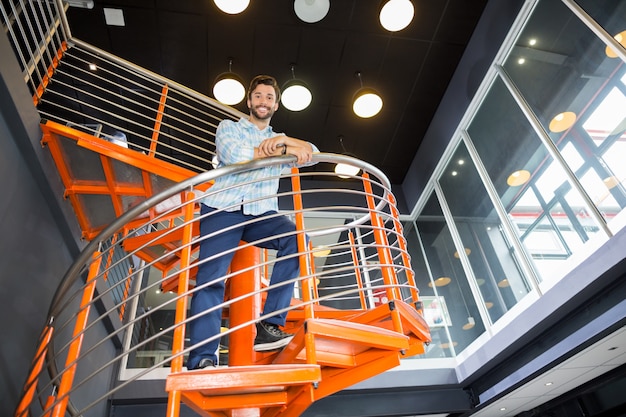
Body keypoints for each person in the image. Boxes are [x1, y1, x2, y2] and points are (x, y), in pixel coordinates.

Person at [186, 75, 319, 370]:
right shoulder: (228, 128)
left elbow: (314, 154)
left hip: (261, 213)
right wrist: (281, 152)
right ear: (249, 101)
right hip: (223, 208)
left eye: (269, 97)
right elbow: (236, 156)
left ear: (276, 105)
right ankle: (202, 359)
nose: (263, 101)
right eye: (258, 96)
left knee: (298, 240)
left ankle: (270, 326)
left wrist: (284, 141)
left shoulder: (280, 138)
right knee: (211, 280)